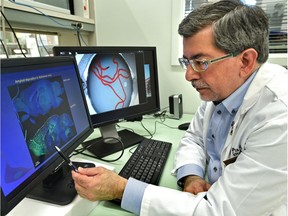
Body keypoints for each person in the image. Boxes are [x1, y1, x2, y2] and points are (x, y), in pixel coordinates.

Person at [72, 0, 288, 215]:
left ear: (246, 61)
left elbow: (218, 211)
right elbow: (194, 138)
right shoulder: (222, 93)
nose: (188, 75)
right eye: (186, 62)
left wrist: (121, 189)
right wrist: (191, 175)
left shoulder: (278, 118)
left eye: (200, 62)